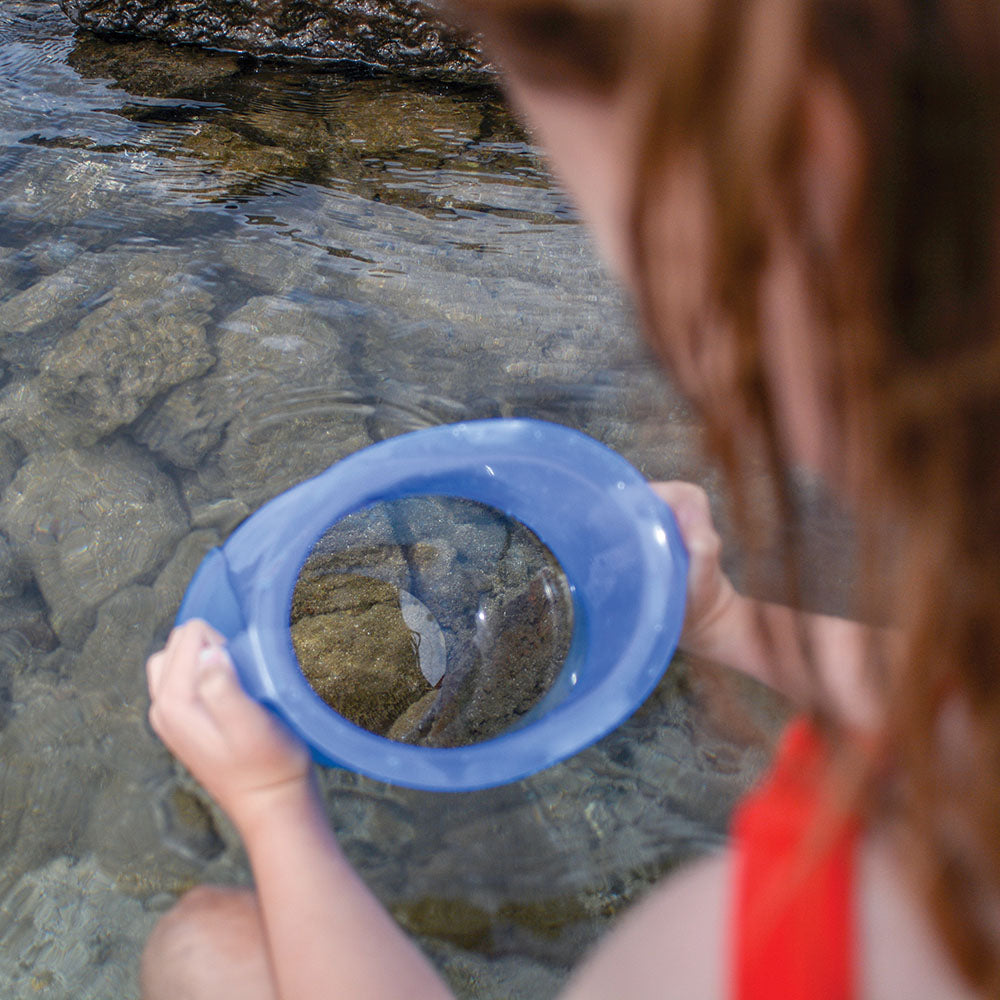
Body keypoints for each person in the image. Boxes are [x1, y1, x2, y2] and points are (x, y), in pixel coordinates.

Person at [141, 1, 1000, 997]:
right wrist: (726, 620)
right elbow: (959, 709)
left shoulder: (745, 951)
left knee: (201, 950)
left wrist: (273, 807)